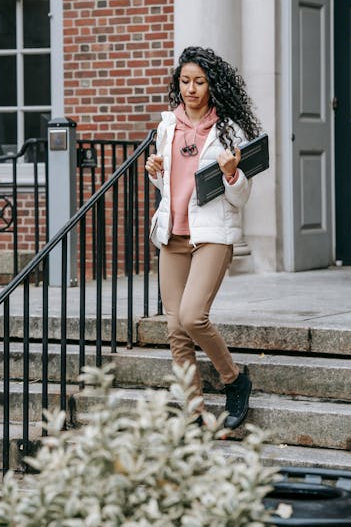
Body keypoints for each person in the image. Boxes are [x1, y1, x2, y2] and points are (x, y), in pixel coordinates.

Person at [145, 46, 262, 430]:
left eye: (199, 81)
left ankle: (234, 378)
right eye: (185, 81)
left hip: (212, 234)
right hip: (173, 234)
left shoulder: (228, 130)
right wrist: (155, 170)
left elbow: (240, 197)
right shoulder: (167, 126)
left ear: (213, 85)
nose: (191, 89)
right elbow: (169, 188)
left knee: (193, 316)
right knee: (175, 328)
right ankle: (193, 411)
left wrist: (232, 173)